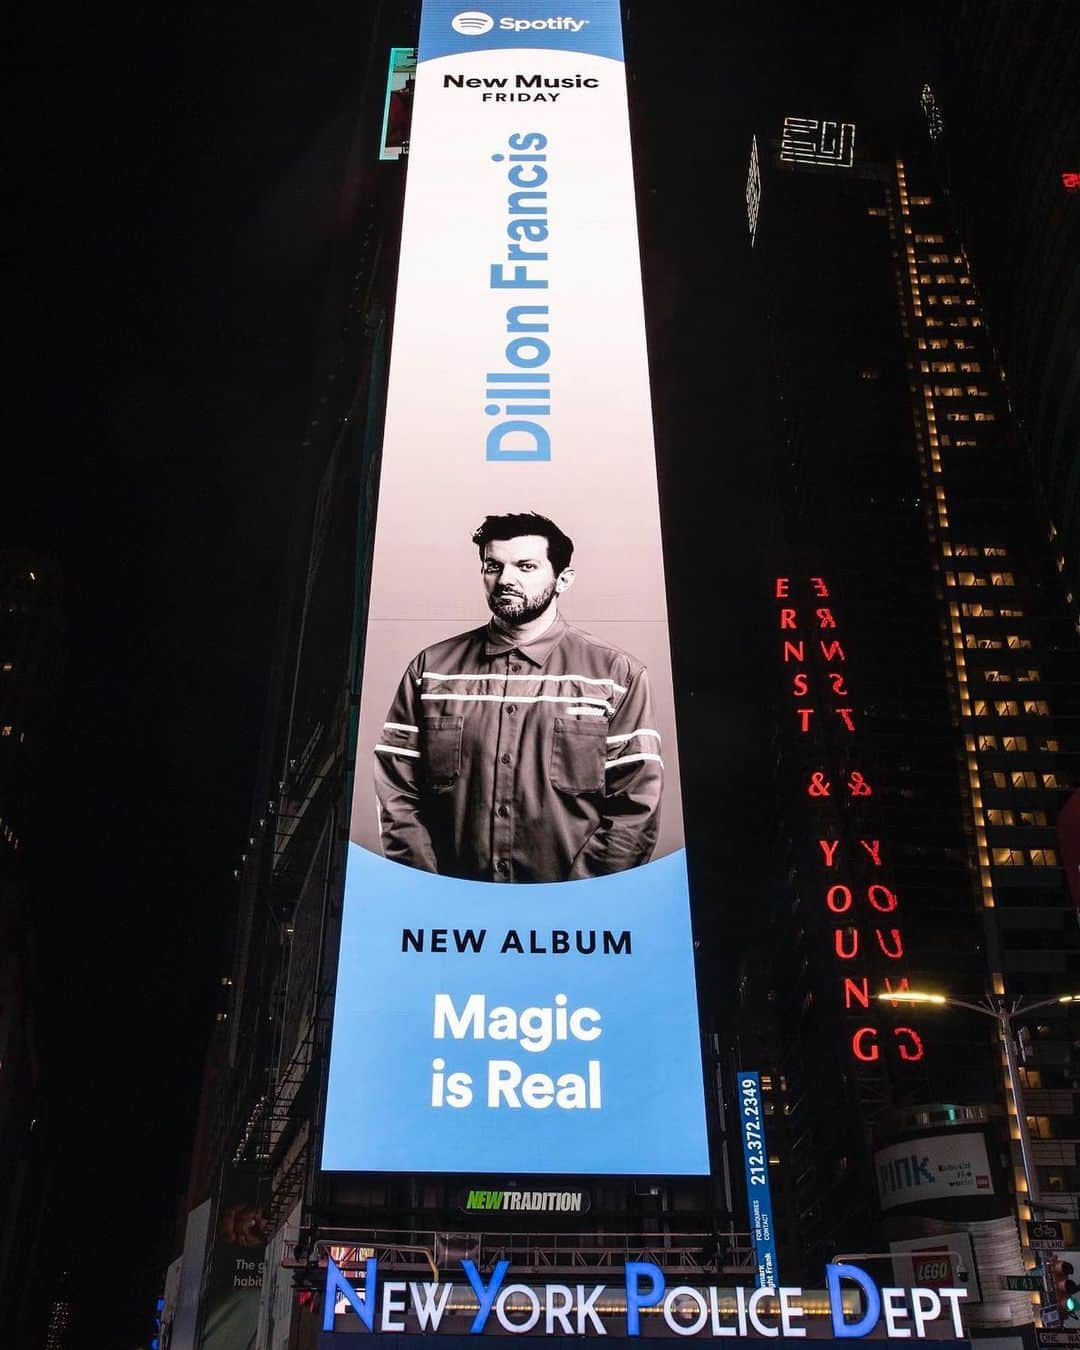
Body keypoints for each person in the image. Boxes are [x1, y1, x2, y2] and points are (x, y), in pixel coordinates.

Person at [374, 512, 663, 882]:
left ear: (563, 580)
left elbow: (637, 806)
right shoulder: (430, 670)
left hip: (568, 922)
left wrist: (575, 901)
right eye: (493, 566)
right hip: (454, 916)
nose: (505, 579)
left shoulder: (616, 676)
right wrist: (432, 891)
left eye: (525, 566)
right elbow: (396, 791)